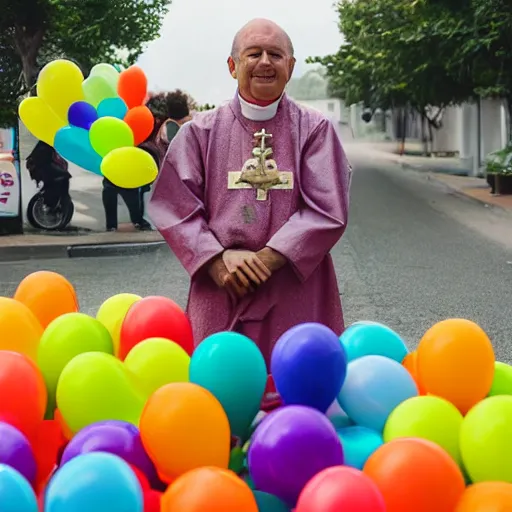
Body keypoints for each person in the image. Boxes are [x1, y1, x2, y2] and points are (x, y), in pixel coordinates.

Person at [148, 18, 352, 409]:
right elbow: (173, 206)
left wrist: (266, 259)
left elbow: (327, 209)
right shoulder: (199, 134)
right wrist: (216, 258)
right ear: (232, 66)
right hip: (221, 285)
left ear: (290, 67)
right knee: (218, 404)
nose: (264, 62)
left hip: (295, 286)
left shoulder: (315, 130)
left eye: (275, 54)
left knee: (301, 403)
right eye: (253, 53)